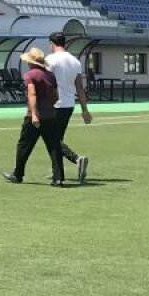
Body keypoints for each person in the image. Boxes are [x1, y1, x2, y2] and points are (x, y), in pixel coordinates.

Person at [2, 47, 66, 186]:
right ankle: (58, 177)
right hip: (51, 116)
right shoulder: (50, 75)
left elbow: (32, 94)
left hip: (35, 116)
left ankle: (18, 174)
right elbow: (56, 96)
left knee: (24, 145)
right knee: (54, 147)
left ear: (30, 62)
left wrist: (35, 114)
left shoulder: (30, 75)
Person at [46, 31, 92, 183]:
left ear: (52, 43)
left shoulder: (50, 60)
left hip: (54, 104)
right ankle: (56, 171)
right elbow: (80, 88)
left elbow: (47, 84)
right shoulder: (75, 61)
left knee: (52, 139)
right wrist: (85, 110)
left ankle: (76, 159)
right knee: (57, 138)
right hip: (69, 104)